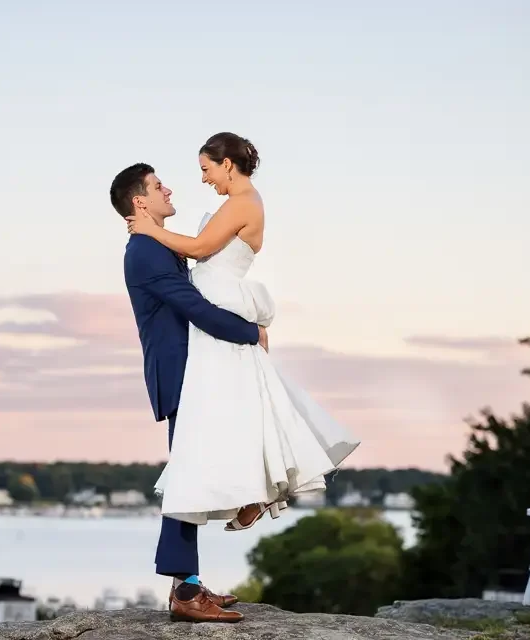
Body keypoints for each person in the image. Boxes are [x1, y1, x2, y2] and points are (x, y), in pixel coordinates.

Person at [125, 132, 361, 534]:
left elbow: (199, 248)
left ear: (227, 165)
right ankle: (253, 494)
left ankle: (251, 493)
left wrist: (149, 229)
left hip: (218, 305)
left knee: (230, 409)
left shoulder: (243, 203)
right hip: (212, 305)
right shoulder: (238, 203)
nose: (203, 178)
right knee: (236, 407)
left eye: (206, 169)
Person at [113, 162, 264, 623]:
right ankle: (185, 591)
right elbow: (194, 307)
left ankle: (191, 581)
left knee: (194, 471)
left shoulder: (159, 245)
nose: (169, 190)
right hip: (179, 371)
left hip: (196, 369)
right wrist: (251, 332)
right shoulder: (145, 252)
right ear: (140, 201)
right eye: (159, 186)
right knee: (186, 477)